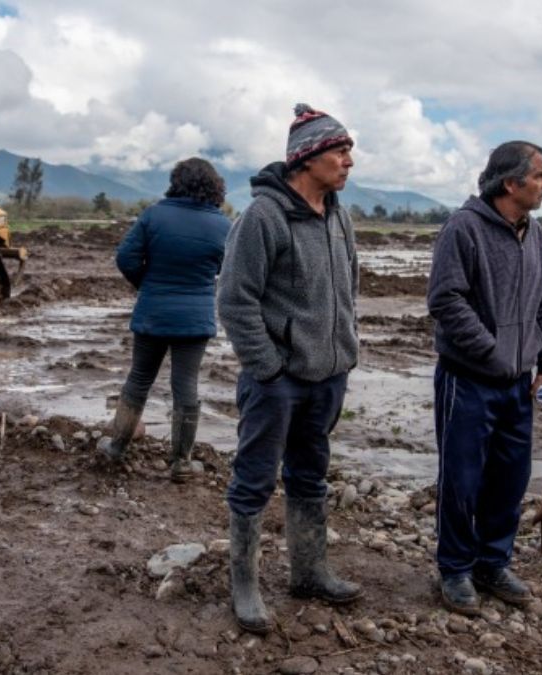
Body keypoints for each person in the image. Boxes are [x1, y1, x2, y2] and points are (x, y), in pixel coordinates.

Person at [217, 103, 362, 635]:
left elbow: (350, 287)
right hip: (277, 383)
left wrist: (345, 351)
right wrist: (269, 369)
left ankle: (309, 570)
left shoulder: (340, 215)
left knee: (311, 474)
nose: (349, 161)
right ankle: (245, 583)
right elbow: (235, 299)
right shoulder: (263, 217)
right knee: (254, 479)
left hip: (328, 377)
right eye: (339, 151)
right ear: (307, 158)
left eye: (349, 151)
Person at [427, 140, 542, 615]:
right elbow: (445, 301)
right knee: (462, 479)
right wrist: (492, 351)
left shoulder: (536, 236)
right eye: (540, 175)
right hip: (468, 380)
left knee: (510, 478)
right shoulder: (463, 229)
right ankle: (456, 569)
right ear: (511, 183)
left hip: (517, 384)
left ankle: (492, 561)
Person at [100, 157, 231, 482]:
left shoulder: (154, 215)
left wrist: (146, 285)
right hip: (195, 318)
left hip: (153, 312)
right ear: (214, 187)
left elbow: (125, 257)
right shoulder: (223, 226)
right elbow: (230, 271)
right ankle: (181, 464)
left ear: (176, 182)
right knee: (186, 386)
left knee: (139, 378)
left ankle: (116, 448)